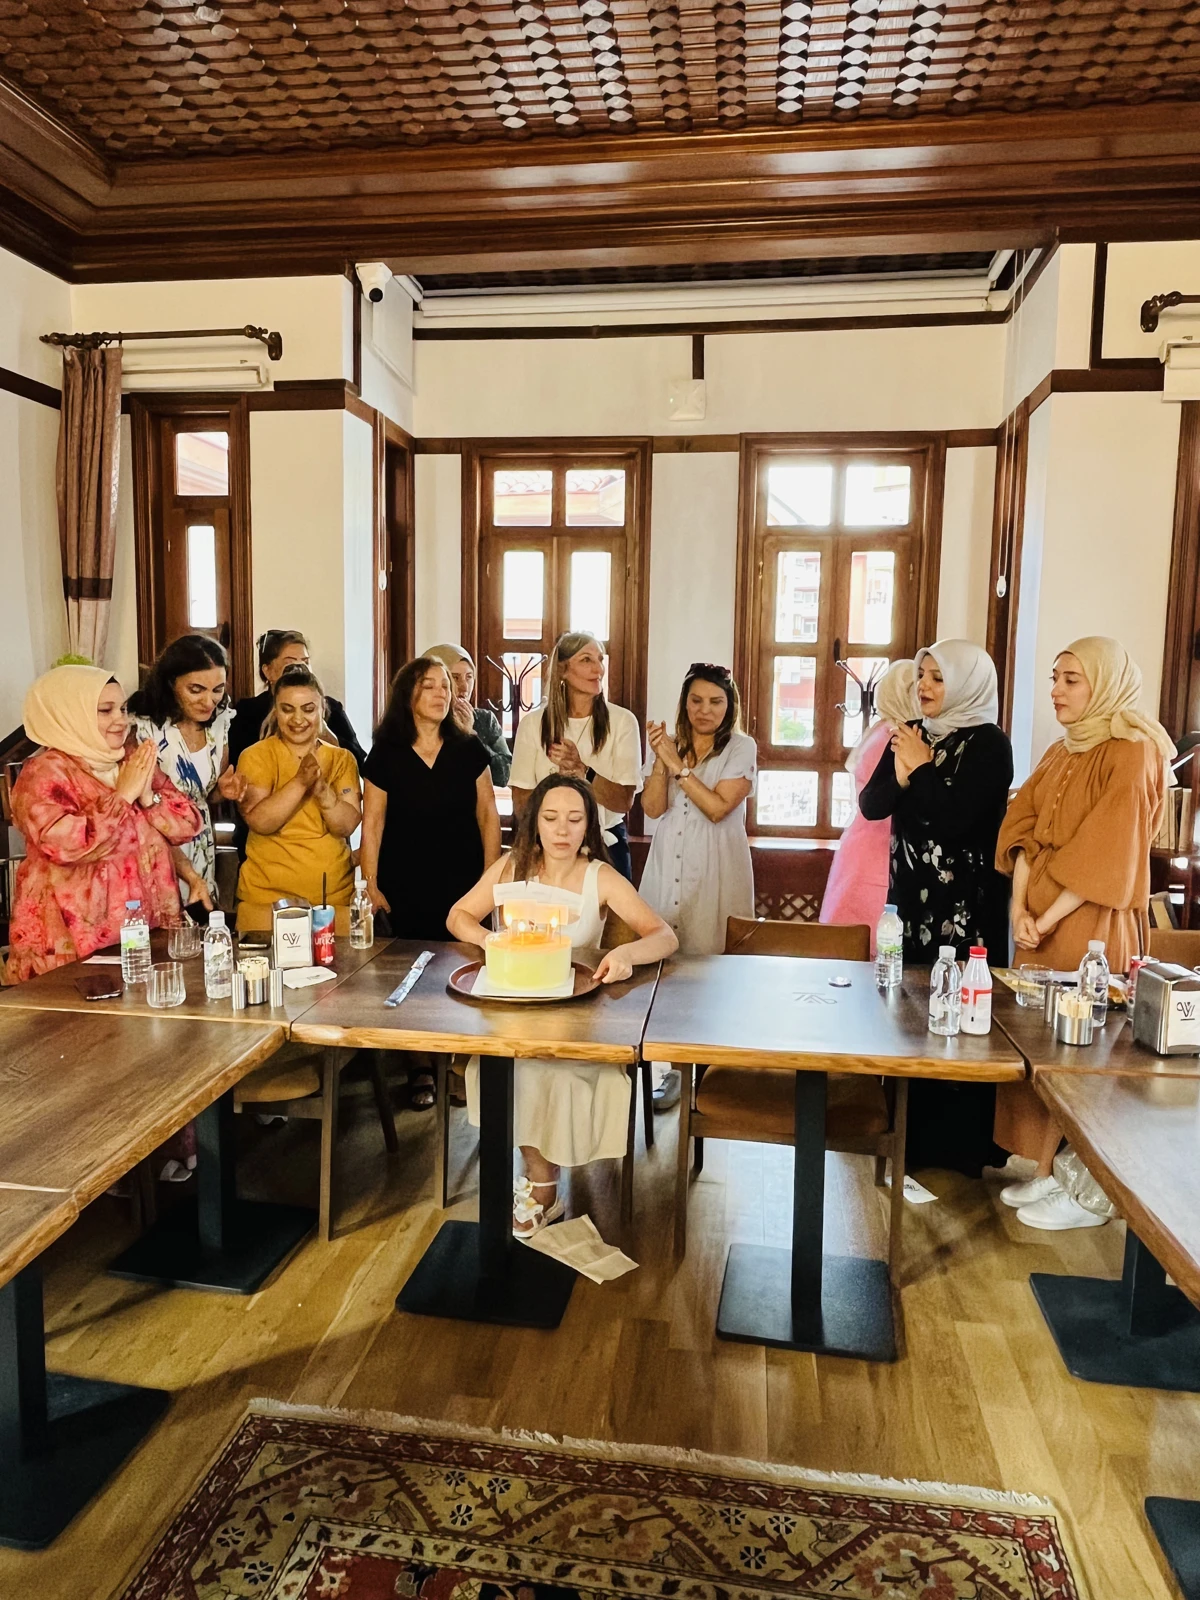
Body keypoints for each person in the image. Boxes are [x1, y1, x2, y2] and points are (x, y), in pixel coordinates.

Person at [992, 636, 1173, 1230]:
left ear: (1106, 682)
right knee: (1038, 1045)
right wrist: (1020, 907)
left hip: (1093, 923)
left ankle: (1089, 1190)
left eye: (1072, 679)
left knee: (1084, 1050)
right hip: (1037, 924)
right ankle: (1050, 1169)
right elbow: (1022, 826)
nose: (1056, 690)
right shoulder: (1061, 749)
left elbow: (1108, 852)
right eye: (1054, 678)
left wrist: (1043, 918)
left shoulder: (1134, 751)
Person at [447, 775, 678, 1234]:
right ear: (535, 822)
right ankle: (542, 1179)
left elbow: (664, 935)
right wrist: (489, 939)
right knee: (502, 1069)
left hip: (576, 1019)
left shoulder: (599, 876)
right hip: (513, 1014)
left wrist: (625, 954)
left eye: (574, 819)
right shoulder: (511, 867)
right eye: (551, 818)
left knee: (547, 1073)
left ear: (588, 825)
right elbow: (458, 915)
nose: (562, 829)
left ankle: (543, 1183)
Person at [858, 640, 1013, 1177]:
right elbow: (872, 805)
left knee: (961, 1015)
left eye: (938, 677)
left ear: (967, 684)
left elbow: (956, 820)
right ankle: (909, 1138)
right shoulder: (911, 732)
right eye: (921, 675)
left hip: (965, 909)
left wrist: (922, 769)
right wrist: (904, 772)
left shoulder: (989, 744)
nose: (923, 686)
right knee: (909, 1013)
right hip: (910, 903)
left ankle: (962, 1148)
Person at [361, 655, 502, 1109]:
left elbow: (488, 816)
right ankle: (420, 1065)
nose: (442, 693)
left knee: (463, 970)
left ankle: (457, 1064)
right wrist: (370, 883)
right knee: (413, 976)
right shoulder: (386, 752)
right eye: (431, 686)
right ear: (409, 695)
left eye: (446, 686)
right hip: (404, 882)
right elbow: (372, 824)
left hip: (462, 883)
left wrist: (490, 879)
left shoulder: (468, 748)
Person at [6, 666, 202, 982]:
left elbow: (188, 823)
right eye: (105, 710)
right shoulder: (43, 774)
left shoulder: (130, 760)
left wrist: (148, 797)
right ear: (71, 715)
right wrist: (122, 797)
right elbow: (67, 846)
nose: (121, 720)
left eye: (122, 709)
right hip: (69, 946)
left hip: (143, 936)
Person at [641, 663, 755, 954]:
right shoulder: (671, 745)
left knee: (711, 954)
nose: (705, 710)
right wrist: (660, 759)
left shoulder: (741, 747)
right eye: (696, 701)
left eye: (715, 702)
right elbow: (652, 809)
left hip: (716, 863)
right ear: (685, 703)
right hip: (667, 859)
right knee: (660, 950)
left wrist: (677, 766)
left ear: (729, 706)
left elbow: (717, 809)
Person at [509, 631, 642, 880]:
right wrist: (557, 788)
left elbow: (624, 801)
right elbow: (521, 803)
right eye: (586, 660)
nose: (598, 669)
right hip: (547, 846)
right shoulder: (533, 724)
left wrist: (583, 772)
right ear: (562, 670)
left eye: (600, 659)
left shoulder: (623, 722)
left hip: (605, 845)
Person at [128, 633, 247, 909]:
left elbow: (206, 795)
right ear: (171, 682)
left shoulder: (220, 722)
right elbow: (139, 805)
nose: (209, 701)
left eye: (217, 689)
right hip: (157, 842)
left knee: (199, 919)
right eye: (196, 690)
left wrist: (222, 792)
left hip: (200, 842)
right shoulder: (144, 727)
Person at [236, 664, 361, 909]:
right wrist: (300, 782)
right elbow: (260, 822)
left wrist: (323, 792)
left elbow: (346, 825)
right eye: (287, 709)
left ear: (322, 709)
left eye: (308, 709)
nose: (298, 719)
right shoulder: (255, 756)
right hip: (265, 896)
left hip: (331, 895)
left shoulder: (342, 758)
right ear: (276, 711)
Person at [820, 660, 918, 952]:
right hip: (880, 852)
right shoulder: (895, 737)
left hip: (862, 847)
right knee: (876, 943)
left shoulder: (880, 729)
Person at [229, 629, 367, 770]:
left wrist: (324, 732)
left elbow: (359, 763)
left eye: (305, 662)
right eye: (290, 663)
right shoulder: (247, 712)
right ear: (268, 671)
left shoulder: (329, 706)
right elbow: (238, 764)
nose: (300, 669)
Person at [424, 642, 511, 787]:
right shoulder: (422, 721)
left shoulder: (484, 720)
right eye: (455, 678)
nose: (464, 687)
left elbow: (504, 775)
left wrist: (471, 736)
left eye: (469, 677)